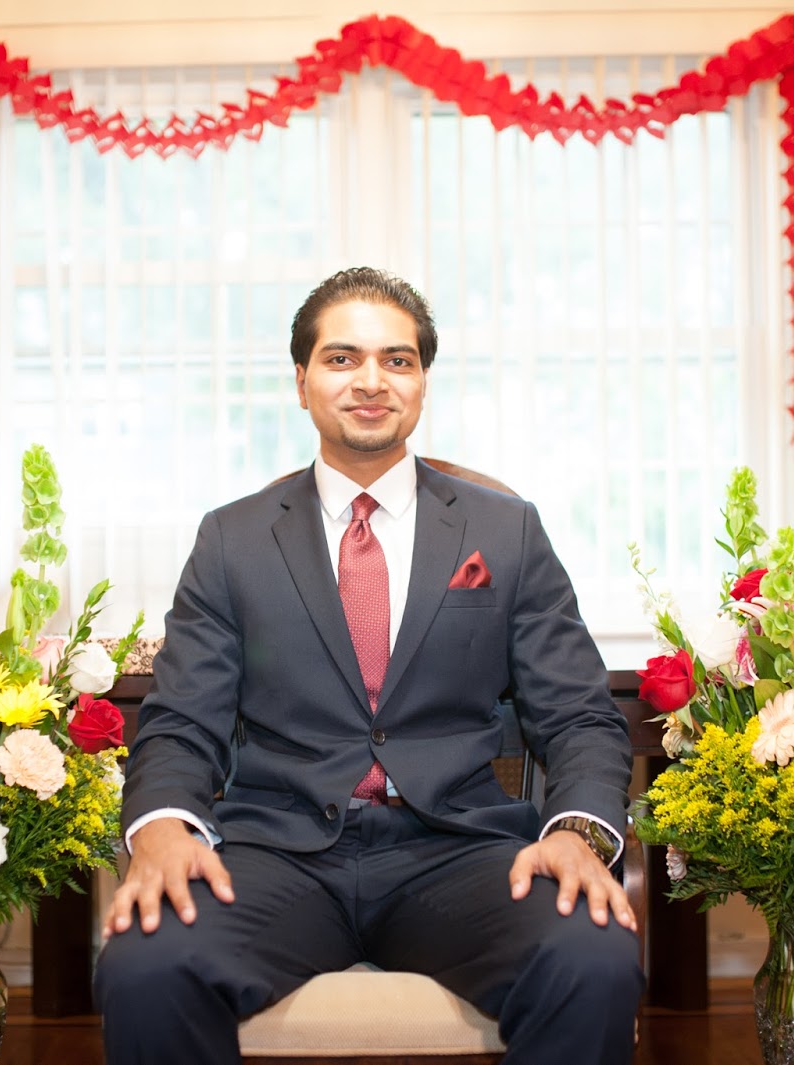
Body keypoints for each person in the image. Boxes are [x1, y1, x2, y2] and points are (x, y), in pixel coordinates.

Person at [94, 267, 643, 1064]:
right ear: (302, 381)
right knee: (146, 965)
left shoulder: (507, 530)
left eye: (398, 359)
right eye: (342, 358)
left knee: (593, 956)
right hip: (277, 853)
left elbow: (580, 716)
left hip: (458, 849)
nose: (371, 380)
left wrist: (579, 831)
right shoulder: (232, 540)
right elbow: (181, 722)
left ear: (422, 383)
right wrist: (164, 827)